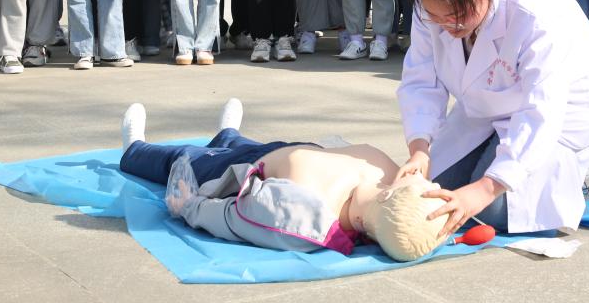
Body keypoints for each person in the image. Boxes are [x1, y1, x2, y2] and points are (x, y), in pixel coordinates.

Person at [396, 0, 589, 234]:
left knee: (496, 211)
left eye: (457, 16)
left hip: (568, 98)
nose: (447, 26)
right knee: (436, 191)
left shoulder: (534, 10)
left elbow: (542, 108)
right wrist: (419, 149)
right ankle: (494, 153)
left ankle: (583, 171)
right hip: (492, 97)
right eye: (436, 17)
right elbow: (421, 79)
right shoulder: (430, 4)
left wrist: (484, 190)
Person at [120, 99, 451, 262]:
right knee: (239, 142)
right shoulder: (392, 179)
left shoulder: (303, 217)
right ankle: (228, 133)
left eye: (427, 189)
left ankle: (134, 149)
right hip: (282, 151)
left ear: (388, 198)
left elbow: (234, 218)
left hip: (236, 171)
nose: (433, 183)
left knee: (181, 157)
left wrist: (190, 206)